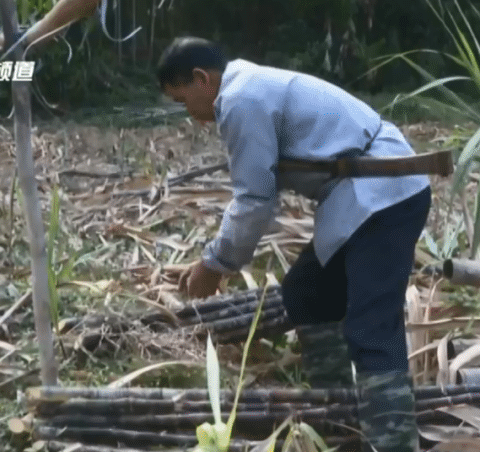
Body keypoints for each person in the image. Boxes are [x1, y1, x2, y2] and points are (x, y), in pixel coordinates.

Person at [161, 37, 430, 452]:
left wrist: (214, 265)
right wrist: (211, 260)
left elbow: (255, 200)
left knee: (371, 326)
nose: (191, 116)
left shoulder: (238, 100)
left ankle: (394, 443)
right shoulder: (246, 87)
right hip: (360, 194)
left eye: (183, 100)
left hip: (383, 192)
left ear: (202, 79)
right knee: (307, 293)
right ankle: (341, 420)